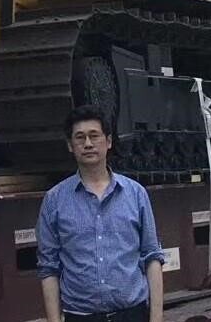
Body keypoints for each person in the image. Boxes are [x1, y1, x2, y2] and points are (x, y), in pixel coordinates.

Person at [37, 105, 166, 322]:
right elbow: (49, 267)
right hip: (81, 317)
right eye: (80, 137)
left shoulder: (135, 194)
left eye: (94, 135)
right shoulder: (54, 200)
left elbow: (152, 256)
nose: (88, 144)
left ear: (108, 141)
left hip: (132, 315)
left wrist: (156, 318)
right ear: (70, 145)